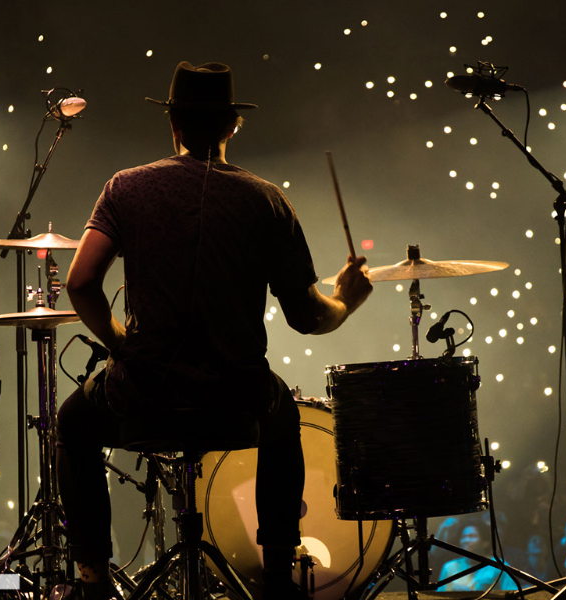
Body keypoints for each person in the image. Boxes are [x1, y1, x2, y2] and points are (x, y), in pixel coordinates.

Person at [57, 61, 373, 600]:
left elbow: (81, 282)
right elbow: (307, 317)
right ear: (232, 126)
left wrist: (121, 346)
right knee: (284, 416)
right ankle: (277, 578)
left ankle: (91, 582)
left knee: (72, 422)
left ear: (173, 124)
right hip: (235, 402)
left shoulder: (125, 188)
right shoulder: (267, 200)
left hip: (144, 395)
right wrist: (345, 298)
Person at [438, 520, 520, 592]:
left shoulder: (499, 566)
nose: (466, 541)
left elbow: (512, 594)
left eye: (472, 536)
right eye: (463, 537)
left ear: (485, 543)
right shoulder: (450, 567)